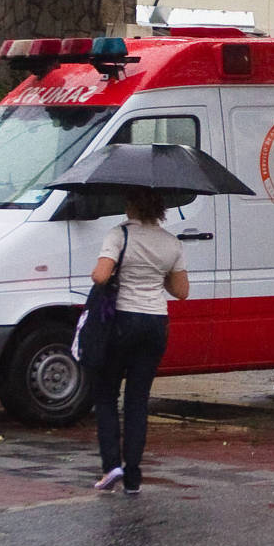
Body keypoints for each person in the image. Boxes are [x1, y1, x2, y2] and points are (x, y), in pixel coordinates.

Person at [89, 187, 188, 495]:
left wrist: (118, 267)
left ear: (131, 204)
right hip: (156, 323)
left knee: (106, 395)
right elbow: (181, 291)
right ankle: (133, 477)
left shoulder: (119, 235)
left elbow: (100, 276)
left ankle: (111, 466)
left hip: (123, 321)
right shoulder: (171, 243)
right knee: (137, 401)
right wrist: (155, 273)